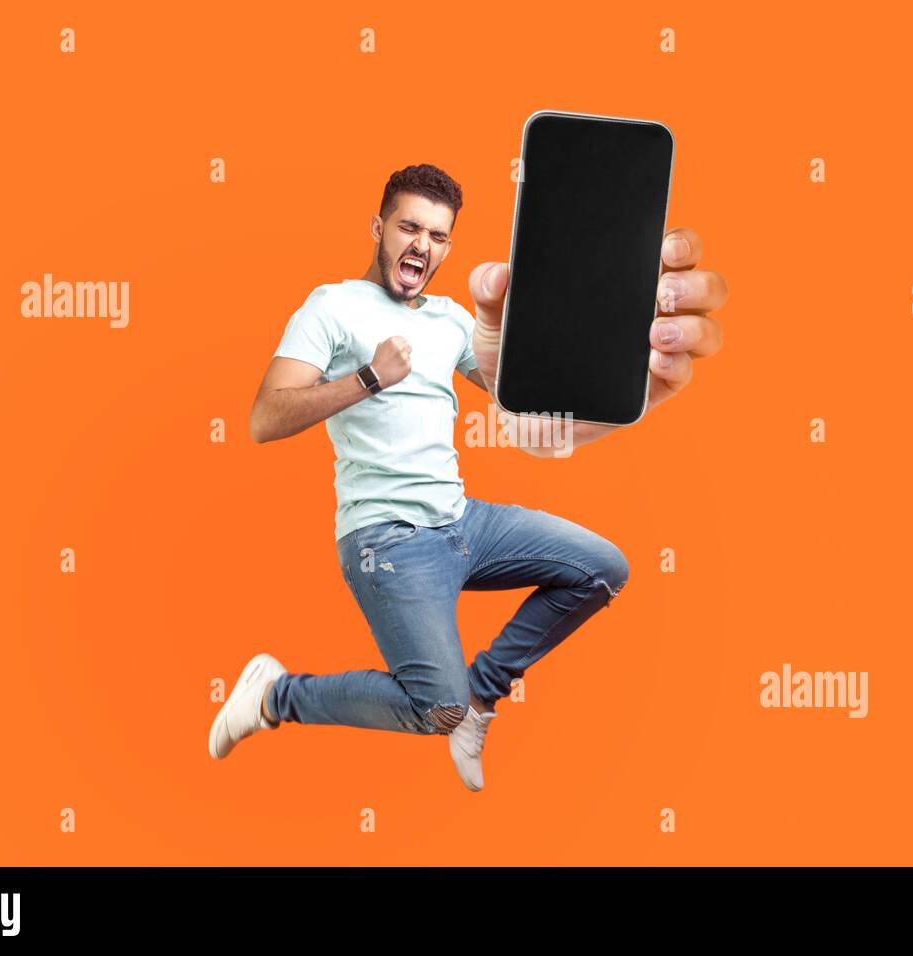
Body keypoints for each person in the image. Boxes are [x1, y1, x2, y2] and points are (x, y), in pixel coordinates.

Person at [209, 164, 727, 790]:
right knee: (434, 710)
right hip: (386, 541)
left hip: (463, 523)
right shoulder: (332, 306)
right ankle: (276, 696)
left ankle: (480, 698)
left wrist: (617, 368)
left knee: (604, 568)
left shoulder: (452, 320)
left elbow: (527, 401)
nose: (422, 245)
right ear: (379, 228)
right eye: (409, 227)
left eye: (438, 235)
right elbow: (265, 418)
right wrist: (369, 378)